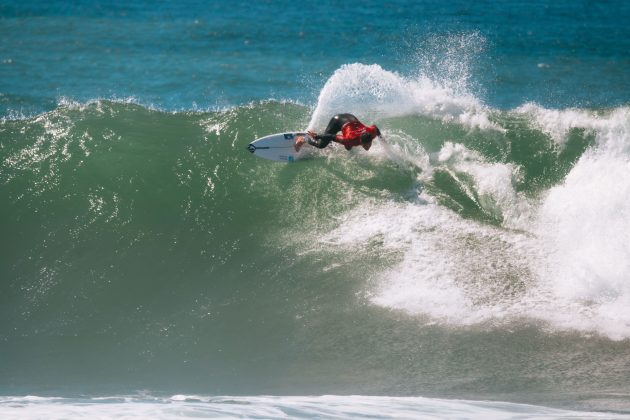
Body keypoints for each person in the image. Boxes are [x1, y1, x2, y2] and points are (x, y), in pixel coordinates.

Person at [294, 113, 381, 152]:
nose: (367, 147)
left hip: (350, 117)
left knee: (349, 148)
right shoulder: (350, 140)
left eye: (369, 144)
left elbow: (376, 128)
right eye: (365, 145)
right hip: (337, 121)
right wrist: (317, 136)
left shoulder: (372, 132)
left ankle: (330, 144)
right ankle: (303, 139)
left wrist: (383, 141)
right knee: (321, 145)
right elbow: (331, 136)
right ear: (361, 142)